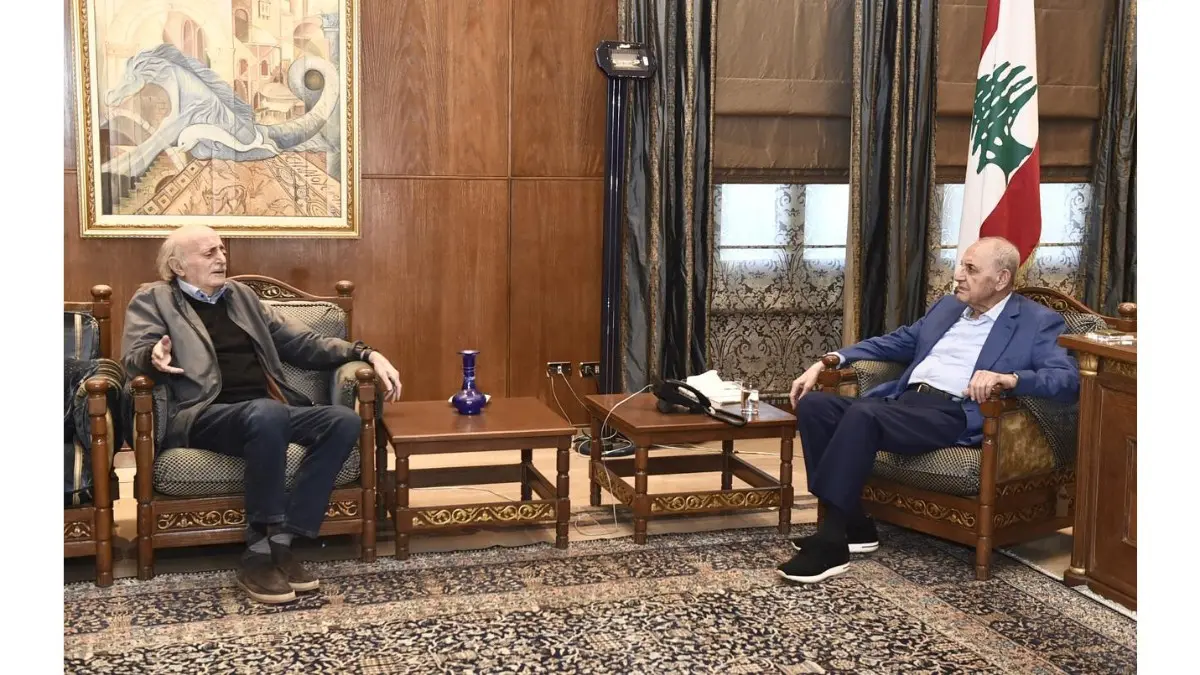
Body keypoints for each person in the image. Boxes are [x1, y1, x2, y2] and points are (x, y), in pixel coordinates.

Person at [122, 224, 403, 604]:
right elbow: (134, 357)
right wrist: (152, 356)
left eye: (222, 250)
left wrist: (365, 352)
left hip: (265, 412)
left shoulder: (241, 297)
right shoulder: (154, 299)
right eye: (209, 253)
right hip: (202, 413)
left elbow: (302, 343)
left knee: (343, 421)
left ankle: (284, 540)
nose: (221, 258)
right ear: (177, 265)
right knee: (267, 412)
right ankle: (257, 551)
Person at [778, 236, 1079, 584]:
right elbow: (896, 342)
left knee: (863, 415)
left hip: (952, 413)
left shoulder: (1037, 321)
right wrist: (829, 360)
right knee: (815, 406)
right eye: (961, 266)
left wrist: (1010, 379)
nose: (958, 275)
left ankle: (832, 542)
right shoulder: (948, 307)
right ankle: (856, 525)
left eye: (971, 269)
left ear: (1001, 279)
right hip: (904, 403)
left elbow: (1067, 379)